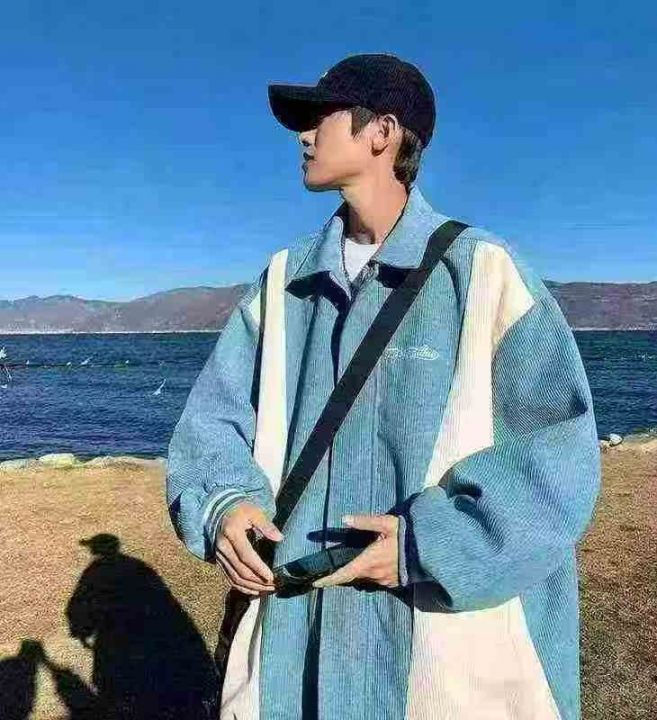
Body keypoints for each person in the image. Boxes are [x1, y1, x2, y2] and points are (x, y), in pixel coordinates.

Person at [165, 52, 602, 720]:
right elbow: (212, 421)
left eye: (320, 116)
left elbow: (558, 456)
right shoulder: (281, 283)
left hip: (448, 664)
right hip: (292, 651)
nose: (303, 135)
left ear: (382, 132)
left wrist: (429, 544)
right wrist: (224, 505)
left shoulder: (484, 271)